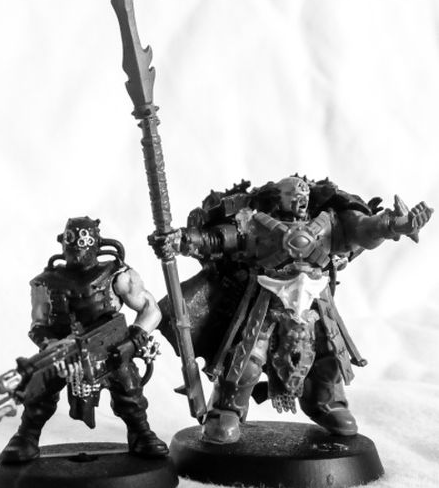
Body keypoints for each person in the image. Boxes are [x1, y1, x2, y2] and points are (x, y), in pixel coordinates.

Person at [153, 177, 432, 443]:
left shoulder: (328, 223)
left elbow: (363, 230)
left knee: (328, 357)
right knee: (247, 361)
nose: (300, 201)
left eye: (304, 196)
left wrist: (393, 225)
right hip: (267, 302)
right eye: (293, 196)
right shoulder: (255, 223)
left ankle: (326, 402)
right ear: (280, 198)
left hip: (313, 303)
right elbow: (219, 239)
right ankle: (227, 409)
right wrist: (183, 240)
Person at [0, 216, 168, 462]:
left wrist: (133, 340)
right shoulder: (45, 283)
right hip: (65, 351)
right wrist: (53, 346)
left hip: (109, 350)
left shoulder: (118, 275)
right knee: (39, 389)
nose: (79, 247)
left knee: (128, 387)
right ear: (62, 242)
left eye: (85, 240)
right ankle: (26, 437)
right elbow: (38, 326)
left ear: (97, 242)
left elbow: (151, 310)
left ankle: (141, 433)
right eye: (72, 239)